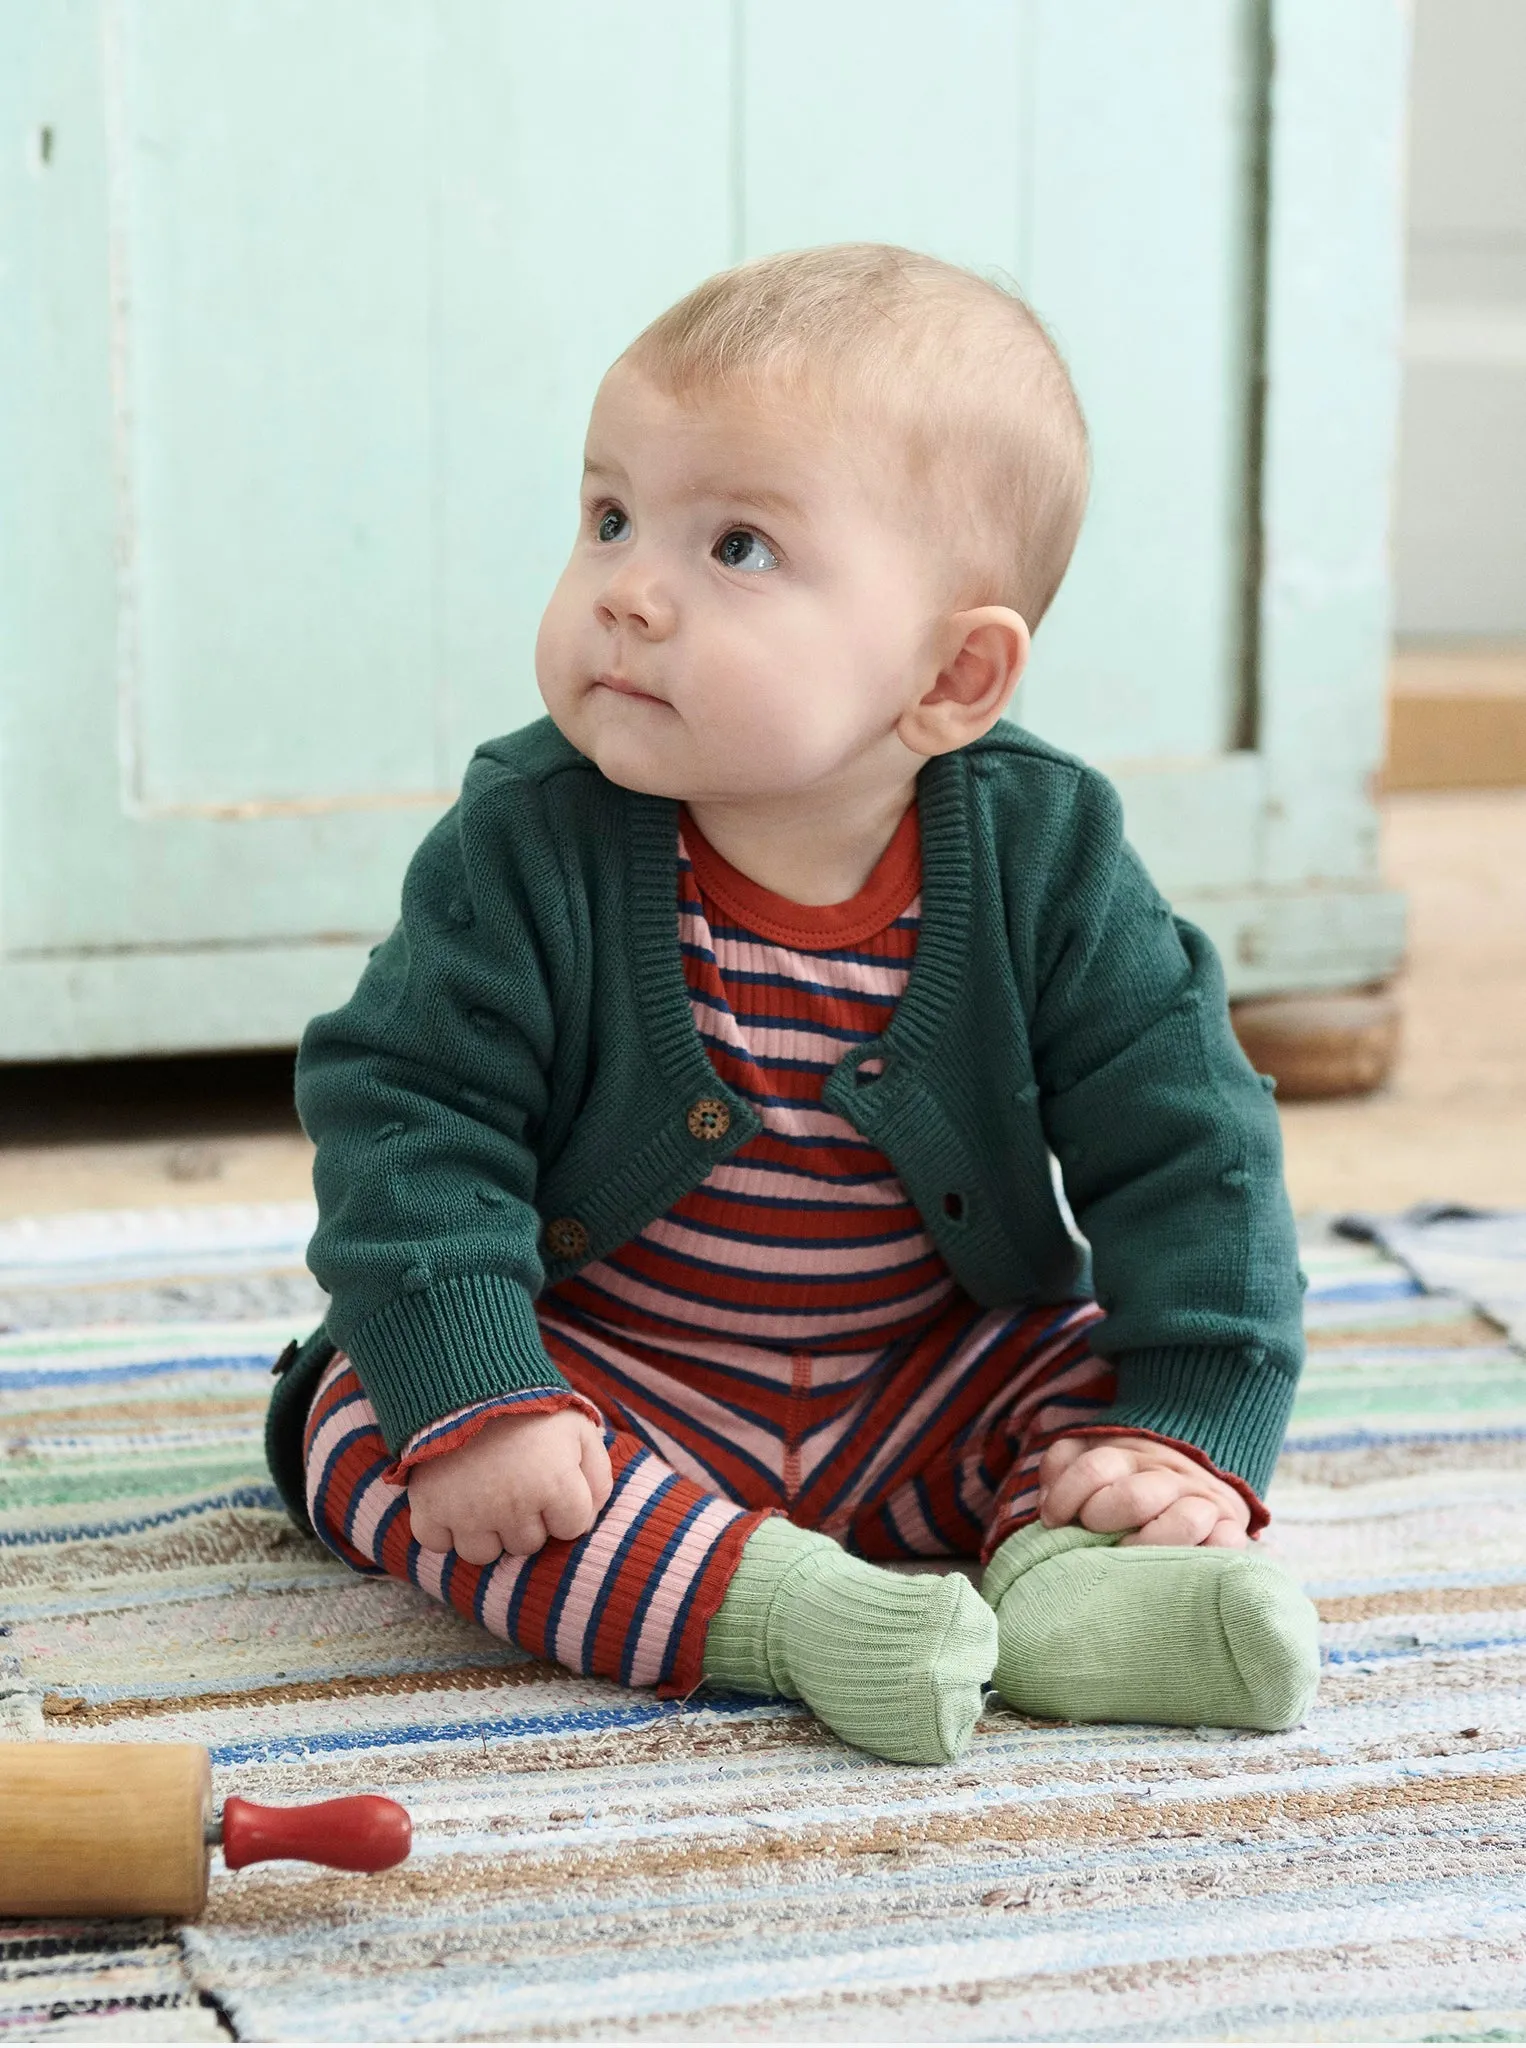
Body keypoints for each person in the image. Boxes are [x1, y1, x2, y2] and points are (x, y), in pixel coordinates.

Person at [267, 243, 1320, 1767]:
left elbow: (1190, 1143)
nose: (626, 592)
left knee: (1086, 1387)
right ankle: (785, 1614)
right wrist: (488, 1391)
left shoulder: (1045, 856)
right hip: (612, 1377)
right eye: (608, 516)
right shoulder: (526, 840)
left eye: (737, 548)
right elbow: (407, 1112)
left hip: (925, 1377)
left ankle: (1086, 1597)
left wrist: (1186, 1424)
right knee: (371, 1422)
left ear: (952, 676)